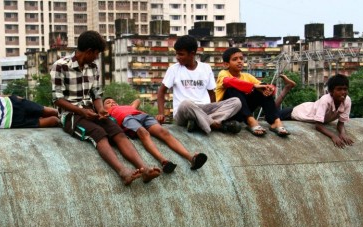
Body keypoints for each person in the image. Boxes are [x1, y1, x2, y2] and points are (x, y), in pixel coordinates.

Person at [50, 30, 161, 185]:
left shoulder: (93, 67)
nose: (97, 57)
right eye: (96, 53)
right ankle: (123, 173)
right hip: (71, 115)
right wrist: (81, 111)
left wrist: (101, 109)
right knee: (99, 133)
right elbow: (57, 99)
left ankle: (144, 169)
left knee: (117, 131)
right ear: (89, 51)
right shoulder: (60, 66)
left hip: (90, 110)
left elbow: (96, 94)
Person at [157, 35, 242, 135]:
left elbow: (212, 94)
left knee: (236, 102)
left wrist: (214, 107)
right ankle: (216, 124)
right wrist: (161, 113)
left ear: (192, 54)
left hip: (204, 109)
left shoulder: (206, 68)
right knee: (186, 104)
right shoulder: (174, 69)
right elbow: (161, 92)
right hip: (184, 112)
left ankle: (199, 123)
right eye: (177, 54)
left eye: (181, 54)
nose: (177, 57)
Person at [104, 97, 208, 173]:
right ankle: (163, 161)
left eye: (114, 101)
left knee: (164, 132)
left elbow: (137, 100)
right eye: (108, 103)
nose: (112, 103)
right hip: (126, 119)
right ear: (104, 108)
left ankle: (191, 158)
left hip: (142, 116)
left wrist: (128, 106)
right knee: (143, 133)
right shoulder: (107, 113)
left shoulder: (127, 107)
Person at [216, 47, 293, 137]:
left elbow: (262, 85)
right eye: (235, 59)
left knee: (262, 89)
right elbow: (228, 82)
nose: (239, 61)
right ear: (226, 64)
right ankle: (251, 121)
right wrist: (253, 86)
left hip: (242, 112)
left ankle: (275, 121)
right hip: (228, 112)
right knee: (233, 88)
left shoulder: (247, 76)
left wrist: (269, 88)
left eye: (241, 58)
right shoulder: (223, 73)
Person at [278, 74, 354, 148]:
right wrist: (333, 136)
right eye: (339, 89)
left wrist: (342, 134)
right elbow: (318, 126)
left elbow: (340, 124)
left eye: (345, 89)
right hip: (298, 112)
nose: (343, 92)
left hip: (309, 109)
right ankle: (287, 88)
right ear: (331, 91)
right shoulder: (325, 100)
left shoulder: (347, 100)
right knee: (269, 116)